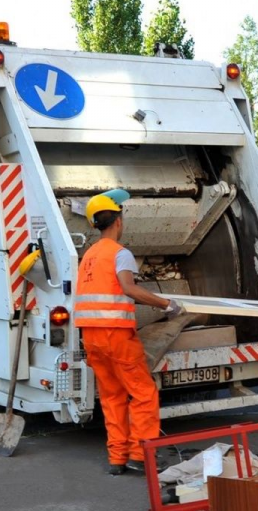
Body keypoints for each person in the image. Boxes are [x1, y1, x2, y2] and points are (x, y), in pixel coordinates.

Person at [74, 189, 183, 475]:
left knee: (112, 397)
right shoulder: (120, 253)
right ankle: (140, 454)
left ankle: (117, 458)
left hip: (91, 337)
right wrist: (167, 305)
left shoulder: (88, 256)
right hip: (116, 336)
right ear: (119, 221)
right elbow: (128, 288)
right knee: (143, 393)